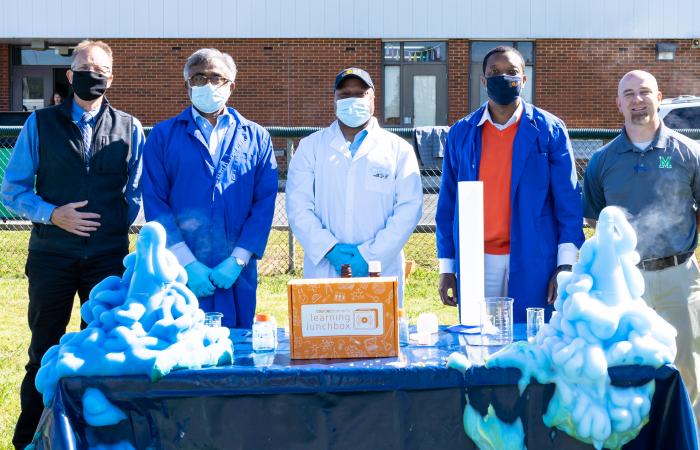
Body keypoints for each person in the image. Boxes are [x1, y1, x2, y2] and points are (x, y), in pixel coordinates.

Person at [1, 40, 144, 450]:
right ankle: (29, 437)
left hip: (105, 259)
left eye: (100, 69)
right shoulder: (40, 124)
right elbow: (12, 190)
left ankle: (91, 437)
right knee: (42, 351)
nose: (92, 74)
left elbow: (134, 192)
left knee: (100, 352)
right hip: (52, 256)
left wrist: (110, 225)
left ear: (111, 77)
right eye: (84, 67)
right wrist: (52, 214)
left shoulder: (130, 127)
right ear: (70, 74)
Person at [582, 70, 700, 425]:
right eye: (629, 94)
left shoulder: (687, 152)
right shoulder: (602, 161)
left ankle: (690, 438)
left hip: (680, 278)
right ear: (618, 103)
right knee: (627, 368)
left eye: (645, 92)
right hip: (625, 285)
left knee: (688, 370)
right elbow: (594, 222)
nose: (638, 100)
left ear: (659, 97)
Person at [435, 46, 584, 323]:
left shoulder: (549, 129)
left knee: (532, 342)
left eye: (511, 72)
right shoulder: (461, 133)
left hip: (534, 256)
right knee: (477, 342)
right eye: (494, 72)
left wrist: (565, 264)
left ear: (524, 80)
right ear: (483, 81)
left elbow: (568, 202)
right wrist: (448, 267)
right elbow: (447, 204)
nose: (503, 77)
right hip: (476, 257)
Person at [143, 48, 277, 328]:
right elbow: (156, 202)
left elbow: (264, 203)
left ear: (231, 86)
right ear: (187, 85)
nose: (208, 85)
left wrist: (239, 260)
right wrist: (187, 264)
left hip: (236, 272)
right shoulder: (162, 136)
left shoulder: (256, 137)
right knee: (180, 348)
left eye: (216, 78)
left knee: (238, 350)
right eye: (199, 77)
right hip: (180, 271)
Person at [286, 67, 422, 302]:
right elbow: (298, 206)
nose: (352, 99)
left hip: (379, 270)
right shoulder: (311, 147)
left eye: (360, 93)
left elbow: (409, 210)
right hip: (326, 269)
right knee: (326, 335)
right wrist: (329, 249)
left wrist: (370, 255)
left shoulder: (398, 149)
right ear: (334, 99)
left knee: (378, 335)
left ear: (372, 98)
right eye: (345, 94)